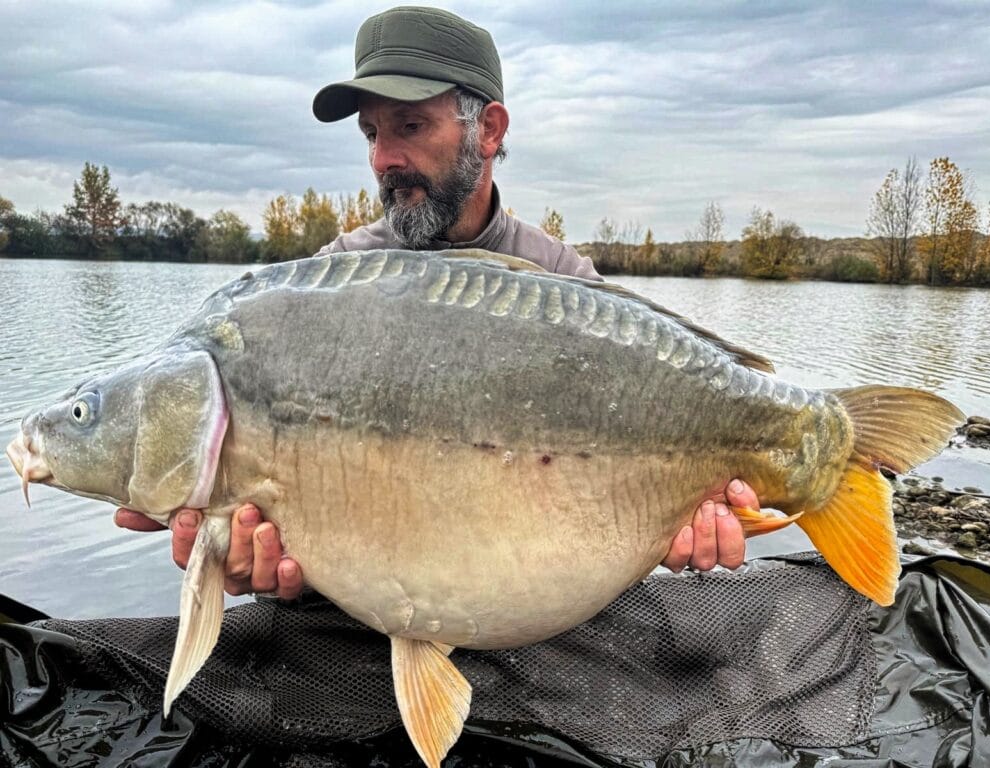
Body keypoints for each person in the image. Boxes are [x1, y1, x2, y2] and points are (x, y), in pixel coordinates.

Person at [115, 6, 758, 598]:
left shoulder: (567, 283)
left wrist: (667, 528)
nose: (383, 159)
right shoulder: (325, 288)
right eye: (371, 133)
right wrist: (263, 561)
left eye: (411, 126)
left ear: (489, 129)